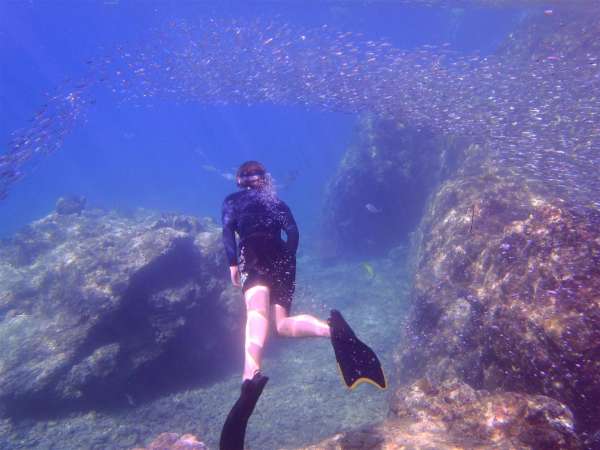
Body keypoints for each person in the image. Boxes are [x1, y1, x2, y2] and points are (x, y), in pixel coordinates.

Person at [219, 161, 386, 450]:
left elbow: (227, 234)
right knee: (281, 324)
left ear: (239, 182)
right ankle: (330, 329)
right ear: (263, 181)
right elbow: (293, 232)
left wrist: (233, 264)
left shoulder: (232, 201)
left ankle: (250, 374)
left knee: (257, 311)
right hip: (283, 256)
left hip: (253, 251)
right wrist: (287, 257)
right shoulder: (276, 202)